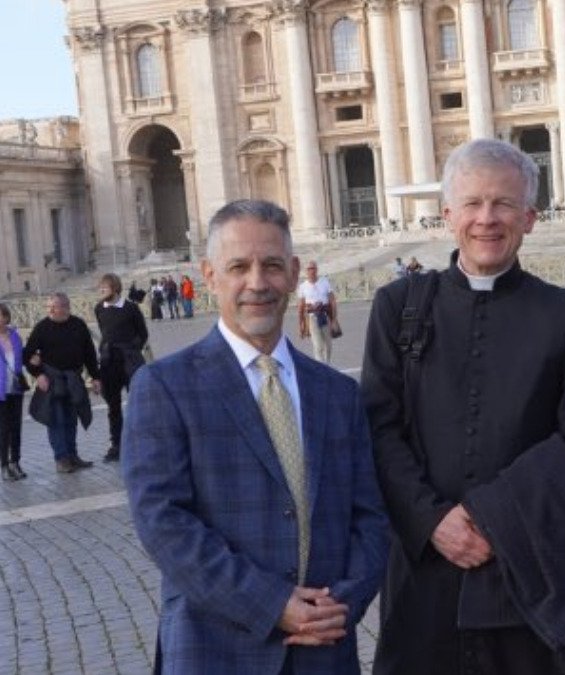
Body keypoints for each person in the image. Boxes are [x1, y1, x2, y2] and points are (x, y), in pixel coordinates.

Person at [361, 139, 565, 675]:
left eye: (503, 204)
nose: (487, 219)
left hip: (530, 565)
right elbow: (380, 427)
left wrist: (494, 521)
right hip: (425, 571)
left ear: (530, 217)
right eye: (473, 204)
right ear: (446, 214)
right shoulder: (397, 307)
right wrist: (433, 520)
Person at [122, 199, 389, 674]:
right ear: (209, 275)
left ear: (291, 273)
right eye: (239, 267)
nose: (257, 283)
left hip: (323, 650)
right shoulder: (165, 386)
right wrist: (272, 604)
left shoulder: (337, 392)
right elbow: (162, 522)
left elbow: (369, 516)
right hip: (215, 650)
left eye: (270, 266)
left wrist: (340, 604)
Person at [23, 292, 101, 474]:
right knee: (56, 420)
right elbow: (27, 355)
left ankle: (72, 455)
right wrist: (38, 374)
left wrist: (96, 377)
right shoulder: (41, 328)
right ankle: (61, 458)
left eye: (53, 306)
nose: (49, 309)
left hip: (73, 379)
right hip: (52, 382)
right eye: (48, 306)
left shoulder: (78, 325)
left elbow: (89, 353)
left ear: (65, 307)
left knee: (71, 420)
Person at [94, 273, 149, 463]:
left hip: (130, 361)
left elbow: (142, 333)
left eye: (105, 287)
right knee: (113, 406)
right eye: (100, 288)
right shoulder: (99, 308)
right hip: (109, 362)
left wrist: (133, 350)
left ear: (115, 288)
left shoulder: (131, 308)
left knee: (137, 403)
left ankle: (140, 443)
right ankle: (117, 444)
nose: (101, 291)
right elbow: (104, 332)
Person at [0, 303, 29, 481]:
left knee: (16, 427)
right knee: (3, 429)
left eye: (2, 316)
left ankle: (15, 462)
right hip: (0, 390)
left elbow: (22, 356)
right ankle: (4, 465)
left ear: (6, 317)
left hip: (15, 387)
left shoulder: (15, 336)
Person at [296, 261, 338, 364]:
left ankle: (327, 365)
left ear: (316, 270)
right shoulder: (303, 287)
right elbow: (300, 307)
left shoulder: (325, 282)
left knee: (328, 345)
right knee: (318, 346)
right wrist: (301, 324)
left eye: (313, 268)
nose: (311, 271)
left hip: (325, 315)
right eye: (309, 269)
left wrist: (334, 320)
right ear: (306, 271)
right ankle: (321, 367)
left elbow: (332, 300)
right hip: (312, 317)